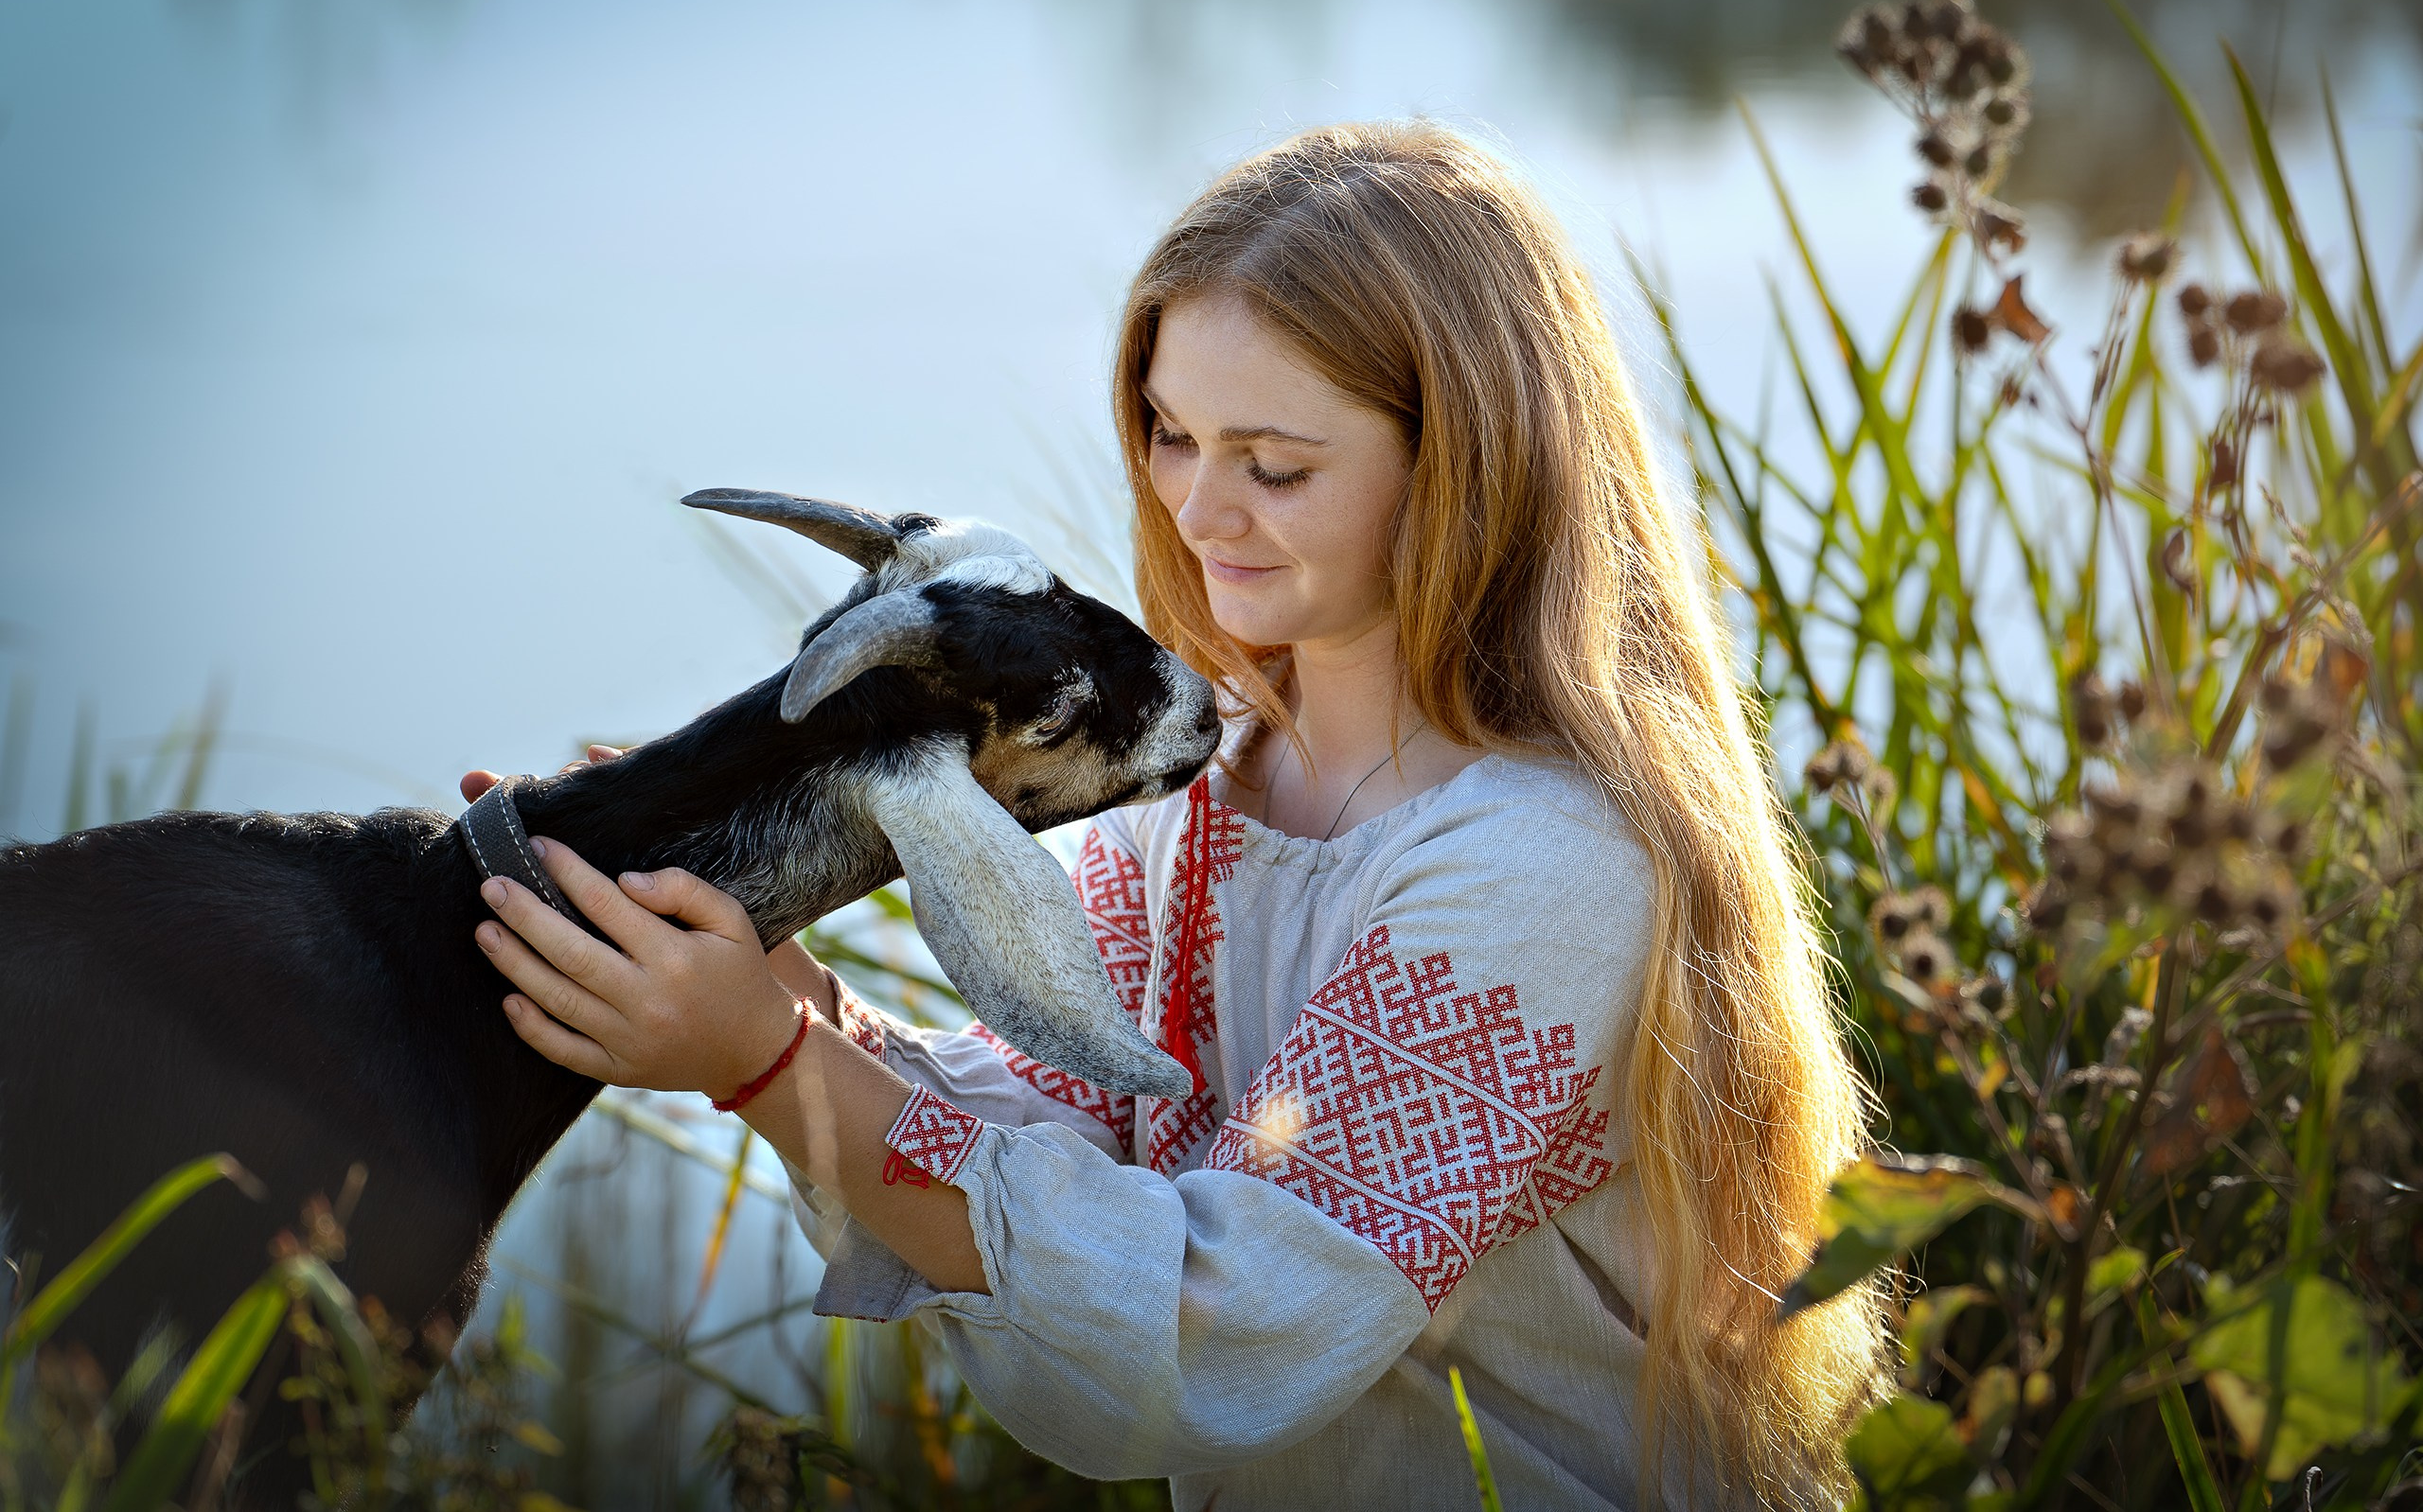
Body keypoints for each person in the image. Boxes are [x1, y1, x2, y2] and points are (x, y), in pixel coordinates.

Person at [464, 121, 1884, 1508]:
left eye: (1275, 466)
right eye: (1169, 434)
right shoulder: (1212, 785)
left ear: (1467, 463)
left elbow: (1220, 1323)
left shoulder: (1544, 865)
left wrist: (770, 1068)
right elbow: (1061, 1124)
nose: (1200, 512)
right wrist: (771, 984)